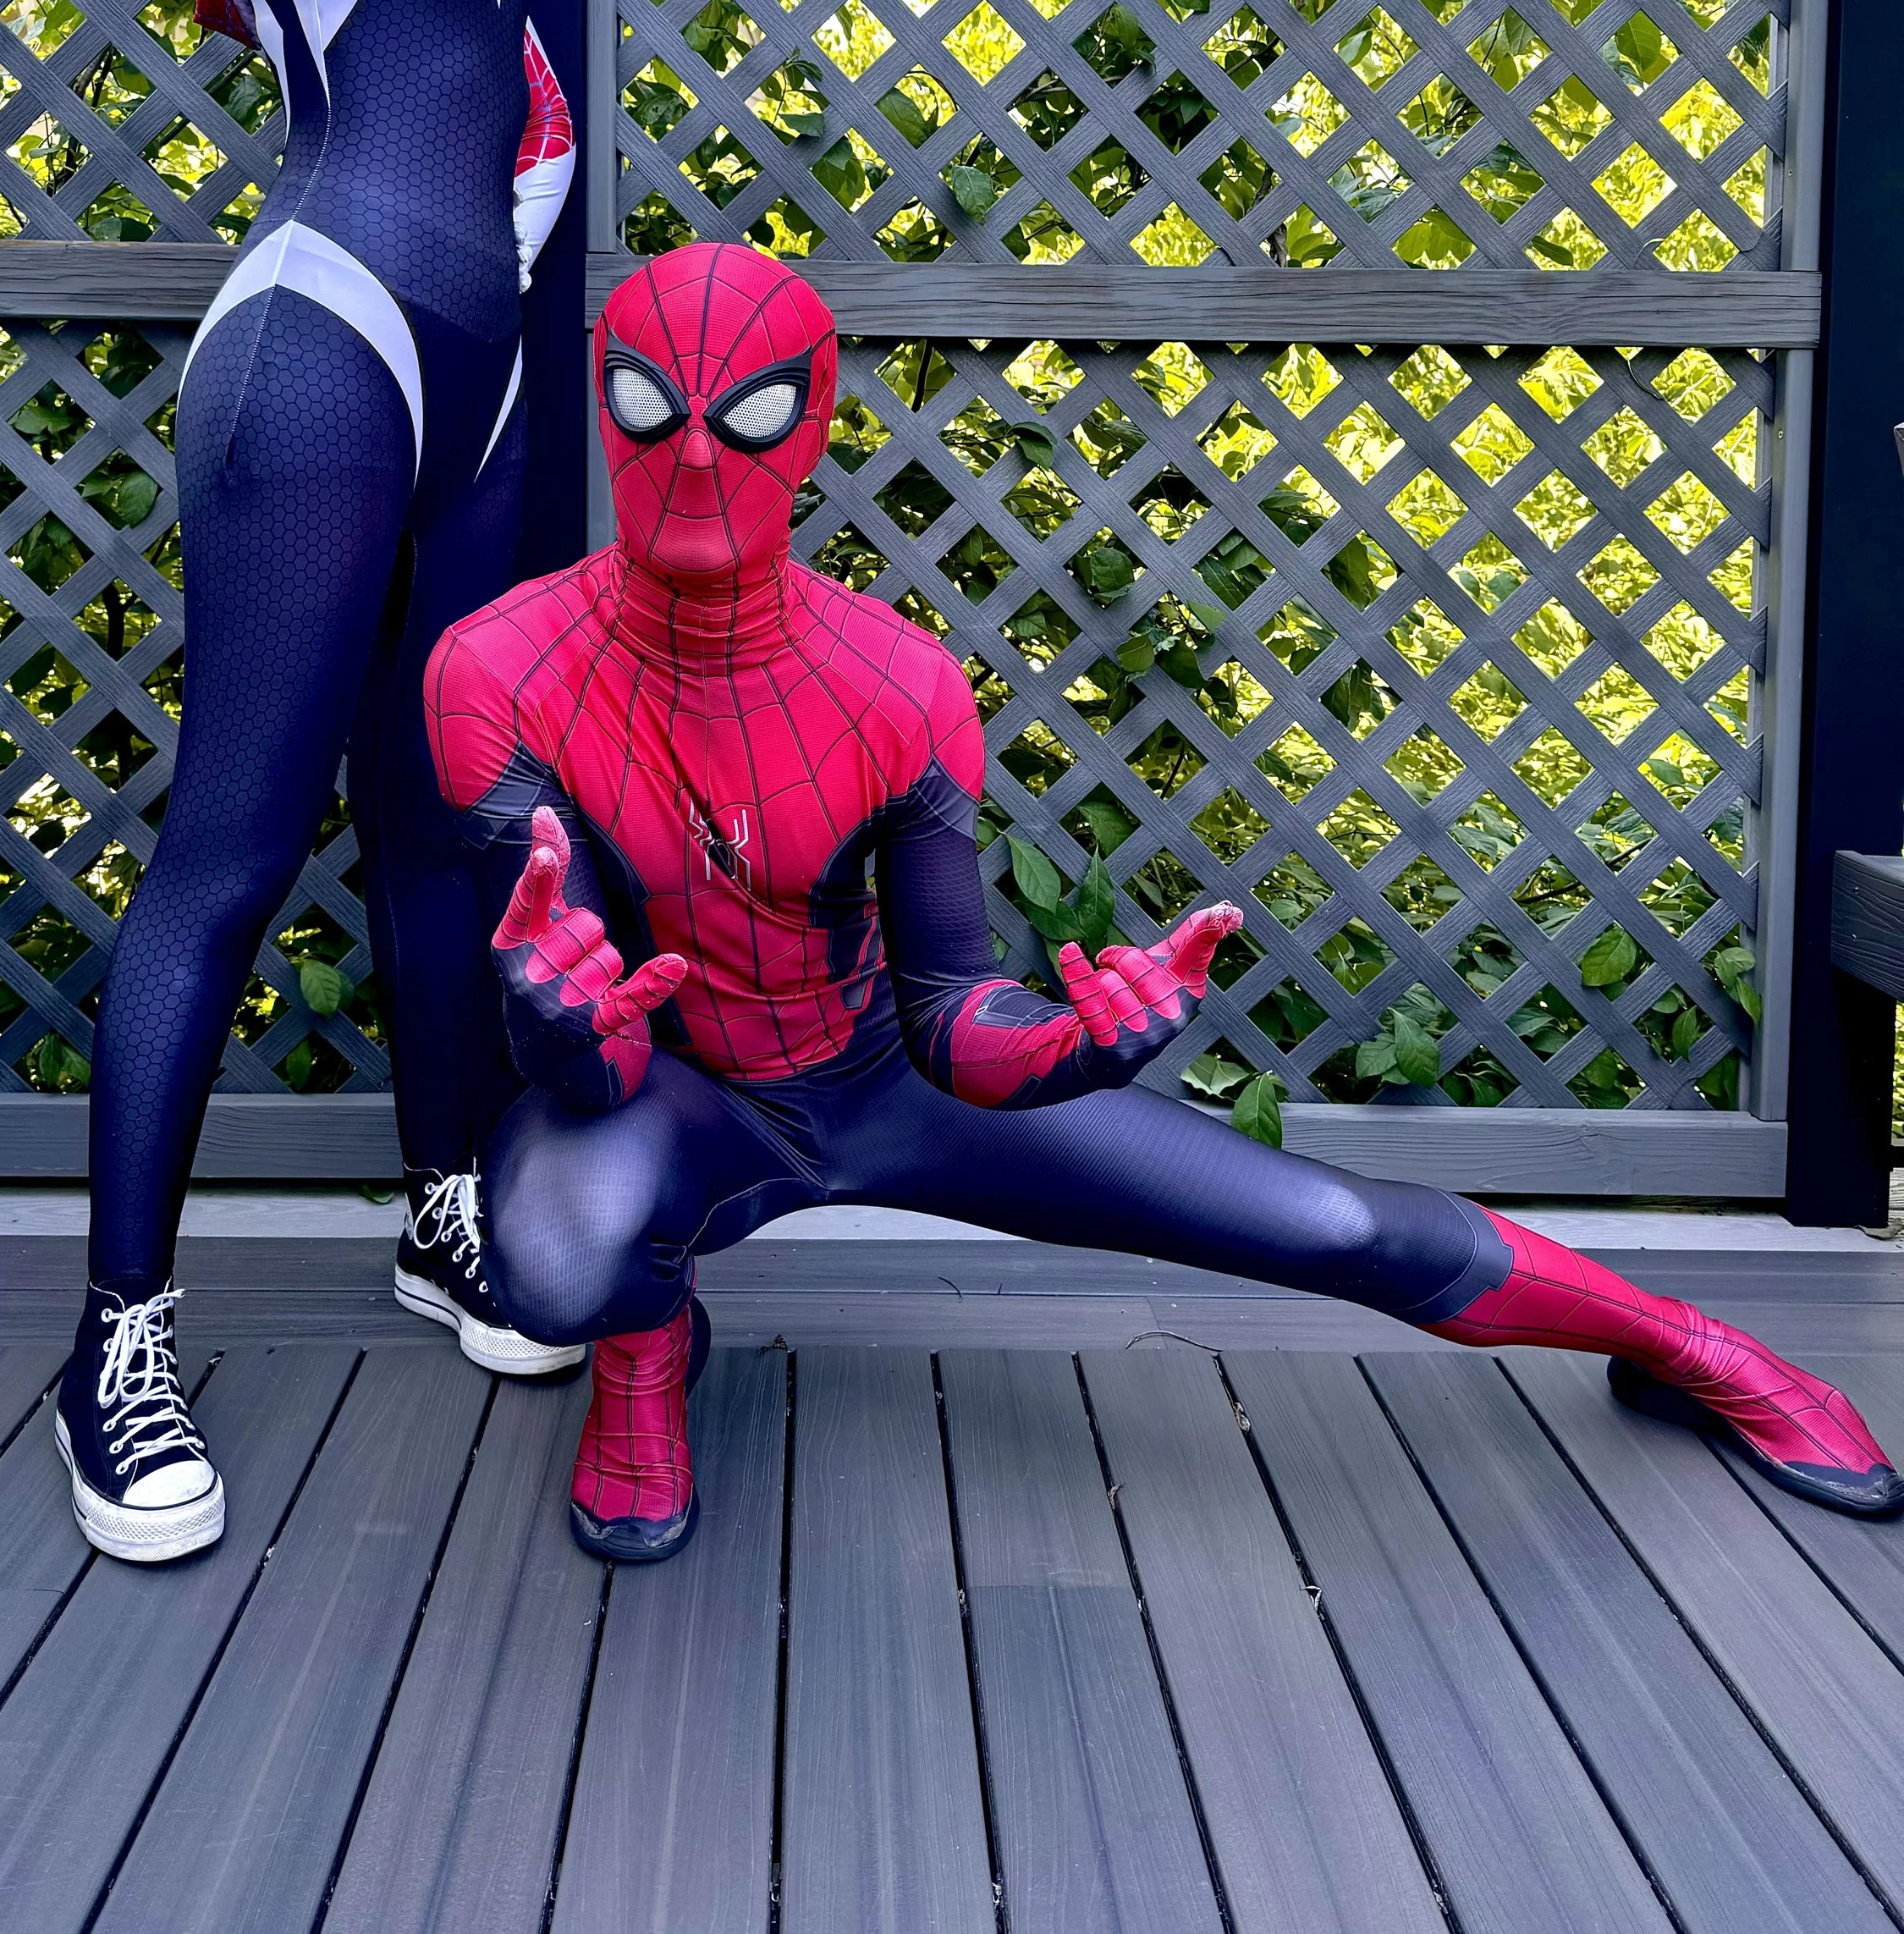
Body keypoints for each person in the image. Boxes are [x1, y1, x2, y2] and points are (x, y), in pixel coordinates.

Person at [427, 240, 1904, 1563]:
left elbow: (950, 1015)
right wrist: (553, 1023)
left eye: (744, 414)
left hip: (884, 1076)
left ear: (811, 424)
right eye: (649, 406)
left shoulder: (896, 687)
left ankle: (1694, 1344)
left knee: (1331, 1225)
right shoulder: (497, 672)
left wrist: (1076, 1045)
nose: (693, 456)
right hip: (675, 1095)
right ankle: (643, 1355)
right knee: (557, 1258)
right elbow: (595, 1052)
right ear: (602, 402)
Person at [50, 0, 579, 1565]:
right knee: (235, 849)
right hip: (324, 352)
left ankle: (444, 1211)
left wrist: (522, 274)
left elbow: (520, 118)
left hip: (473, 382)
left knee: (446, 822)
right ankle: (115, 1340)